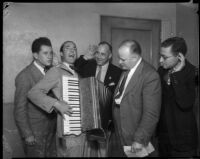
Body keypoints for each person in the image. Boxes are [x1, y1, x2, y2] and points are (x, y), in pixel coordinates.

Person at [27, 41, 97, 157]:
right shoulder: (56, 71)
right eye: (68, 48)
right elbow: (33, 93)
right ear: (61, 54)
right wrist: (56, 104)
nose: (72, 50)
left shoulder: (77, 73)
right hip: (69, 131)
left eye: (74, 48)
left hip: (83, 131)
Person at [108, 40, 161, 157]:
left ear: (135, 57)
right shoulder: (126, 70)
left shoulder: (150, 75)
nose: (119, 62)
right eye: (119, 58)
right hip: (119, 131)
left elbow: (151, 113)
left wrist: (139, 140)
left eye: (123, 59)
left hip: (134, 132)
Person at [74, 42, 122, 156]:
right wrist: (86, 56)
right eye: (97, 53)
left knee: (103, 150)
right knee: (88, 151)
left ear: (110, 56)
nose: (99, 57)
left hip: (106, 120)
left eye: (103, 54)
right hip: (88, 117)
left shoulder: (117, 72)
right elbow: (75, 66)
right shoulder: (88, 66)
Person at [14, 37, 57, 157]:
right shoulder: (24, 76)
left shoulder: (50, 72)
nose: (50, 56)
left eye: (51, 53)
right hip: (35, 131)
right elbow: (19, 109)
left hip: (51, 130)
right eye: (45, 53)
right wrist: (27, 134)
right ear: (36, 55)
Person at [157, 37, 198, 157]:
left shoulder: (193, 73)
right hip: (163, 138)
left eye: (164, 57)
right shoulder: (161, 70)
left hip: (182, 140)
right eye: (160, 55)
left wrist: (177, 74)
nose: (160, 60)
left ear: (179, 56)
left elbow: (186, 103)